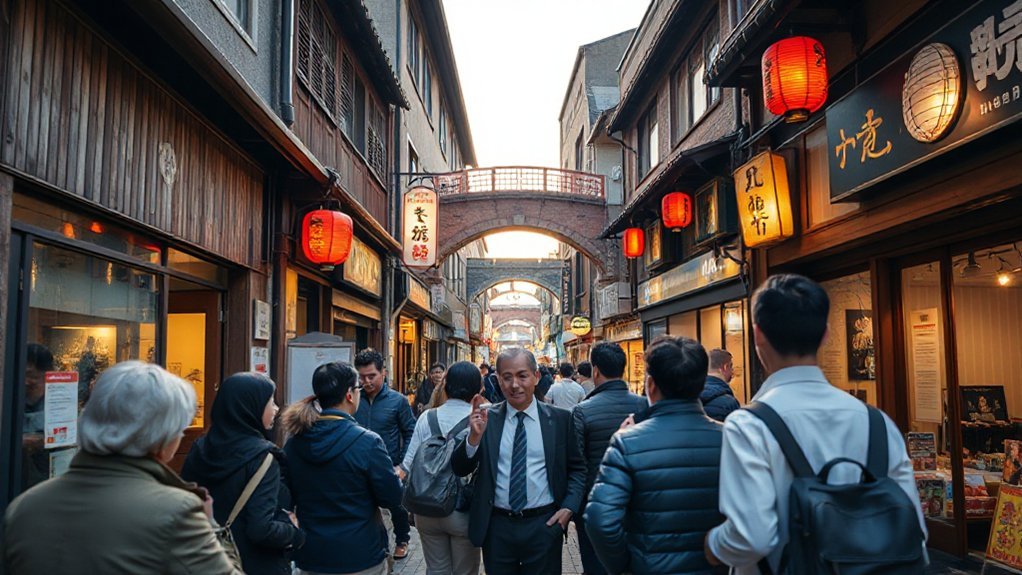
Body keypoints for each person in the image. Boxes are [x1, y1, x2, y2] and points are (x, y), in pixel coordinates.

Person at [704, 274, 926, 573]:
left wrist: (713, 544)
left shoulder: (748, 426)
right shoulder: (878, 422)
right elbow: (914, 530)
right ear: (825, 334)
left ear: (757, 335)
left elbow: (751, 538)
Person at [3, 361, 240, 574]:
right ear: (162, 437)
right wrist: (210, 526)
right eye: (179, 429)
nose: (180, 436)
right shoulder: (176, 511)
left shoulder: (24, 507)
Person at [585, 336, 723, 574]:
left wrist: (624, 565)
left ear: (650, 385)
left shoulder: (627, 442)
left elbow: (600, 519)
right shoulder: (731, 437)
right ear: (701, 384)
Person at [451, 348, 587, 574]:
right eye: (507, 377)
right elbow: (460, 468)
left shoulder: (560, 420)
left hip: (544, 525)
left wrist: (568, 508)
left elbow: (578, 469)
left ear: (536, 376)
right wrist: (473, 438)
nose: (514, 385)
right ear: (498, 380)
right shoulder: (486, 420)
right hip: (497, 527)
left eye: (522, 376)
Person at [283, 362, 403, 575]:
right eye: (358, 388)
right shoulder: (368, 442)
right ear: (349, 394)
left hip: (312, 553)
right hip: (360, 554)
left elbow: (285, 497)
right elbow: (391, 497)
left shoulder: (295, 442)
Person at [182, 373, 305, 575]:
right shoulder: (263, 458)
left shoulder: (200, 449)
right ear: (251, 408)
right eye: (270, 402)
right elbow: (261, 529)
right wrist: (294, 533)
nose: (276, 409)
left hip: (205, 560)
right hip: (254, 564)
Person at [570, 342, 647, 575]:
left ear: (595, 371)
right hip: (638, 501)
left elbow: (577, 463)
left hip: (594, 504)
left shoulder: (582, 410)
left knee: (596, 565)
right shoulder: (644, 405)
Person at [401, 361, 483, 575]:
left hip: (427, 508)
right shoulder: (480, 420)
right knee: (465, 571)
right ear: (479, 389)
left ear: (445, 386)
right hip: (462, 509)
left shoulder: (427, 417)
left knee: (436, 569)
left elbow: (408, 463)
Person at [353, 348, 416, 560]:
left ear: (383, 373)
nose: (367, 381)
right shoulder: (353, 399)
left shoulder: (398, 401)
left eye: (372, 376)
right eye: (362, 377)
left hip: (390, 464)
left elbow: (411, 432)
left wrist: (403, 465)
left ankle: (402, 539)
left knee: (396, 506)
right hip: (358, 465)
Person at [21, 343, 53, 489]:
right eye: (23, 375)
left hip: (46, 482)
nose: (26, 382)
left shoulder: (58, 402)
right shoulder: (10, 396)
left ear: (47, 375)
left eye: (32, 376)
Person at [700, 349, 740, 422]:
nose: (732, 372)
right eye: (731, 367)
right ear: (725, 367)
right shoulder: (729, 402)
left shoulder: (690, 397)